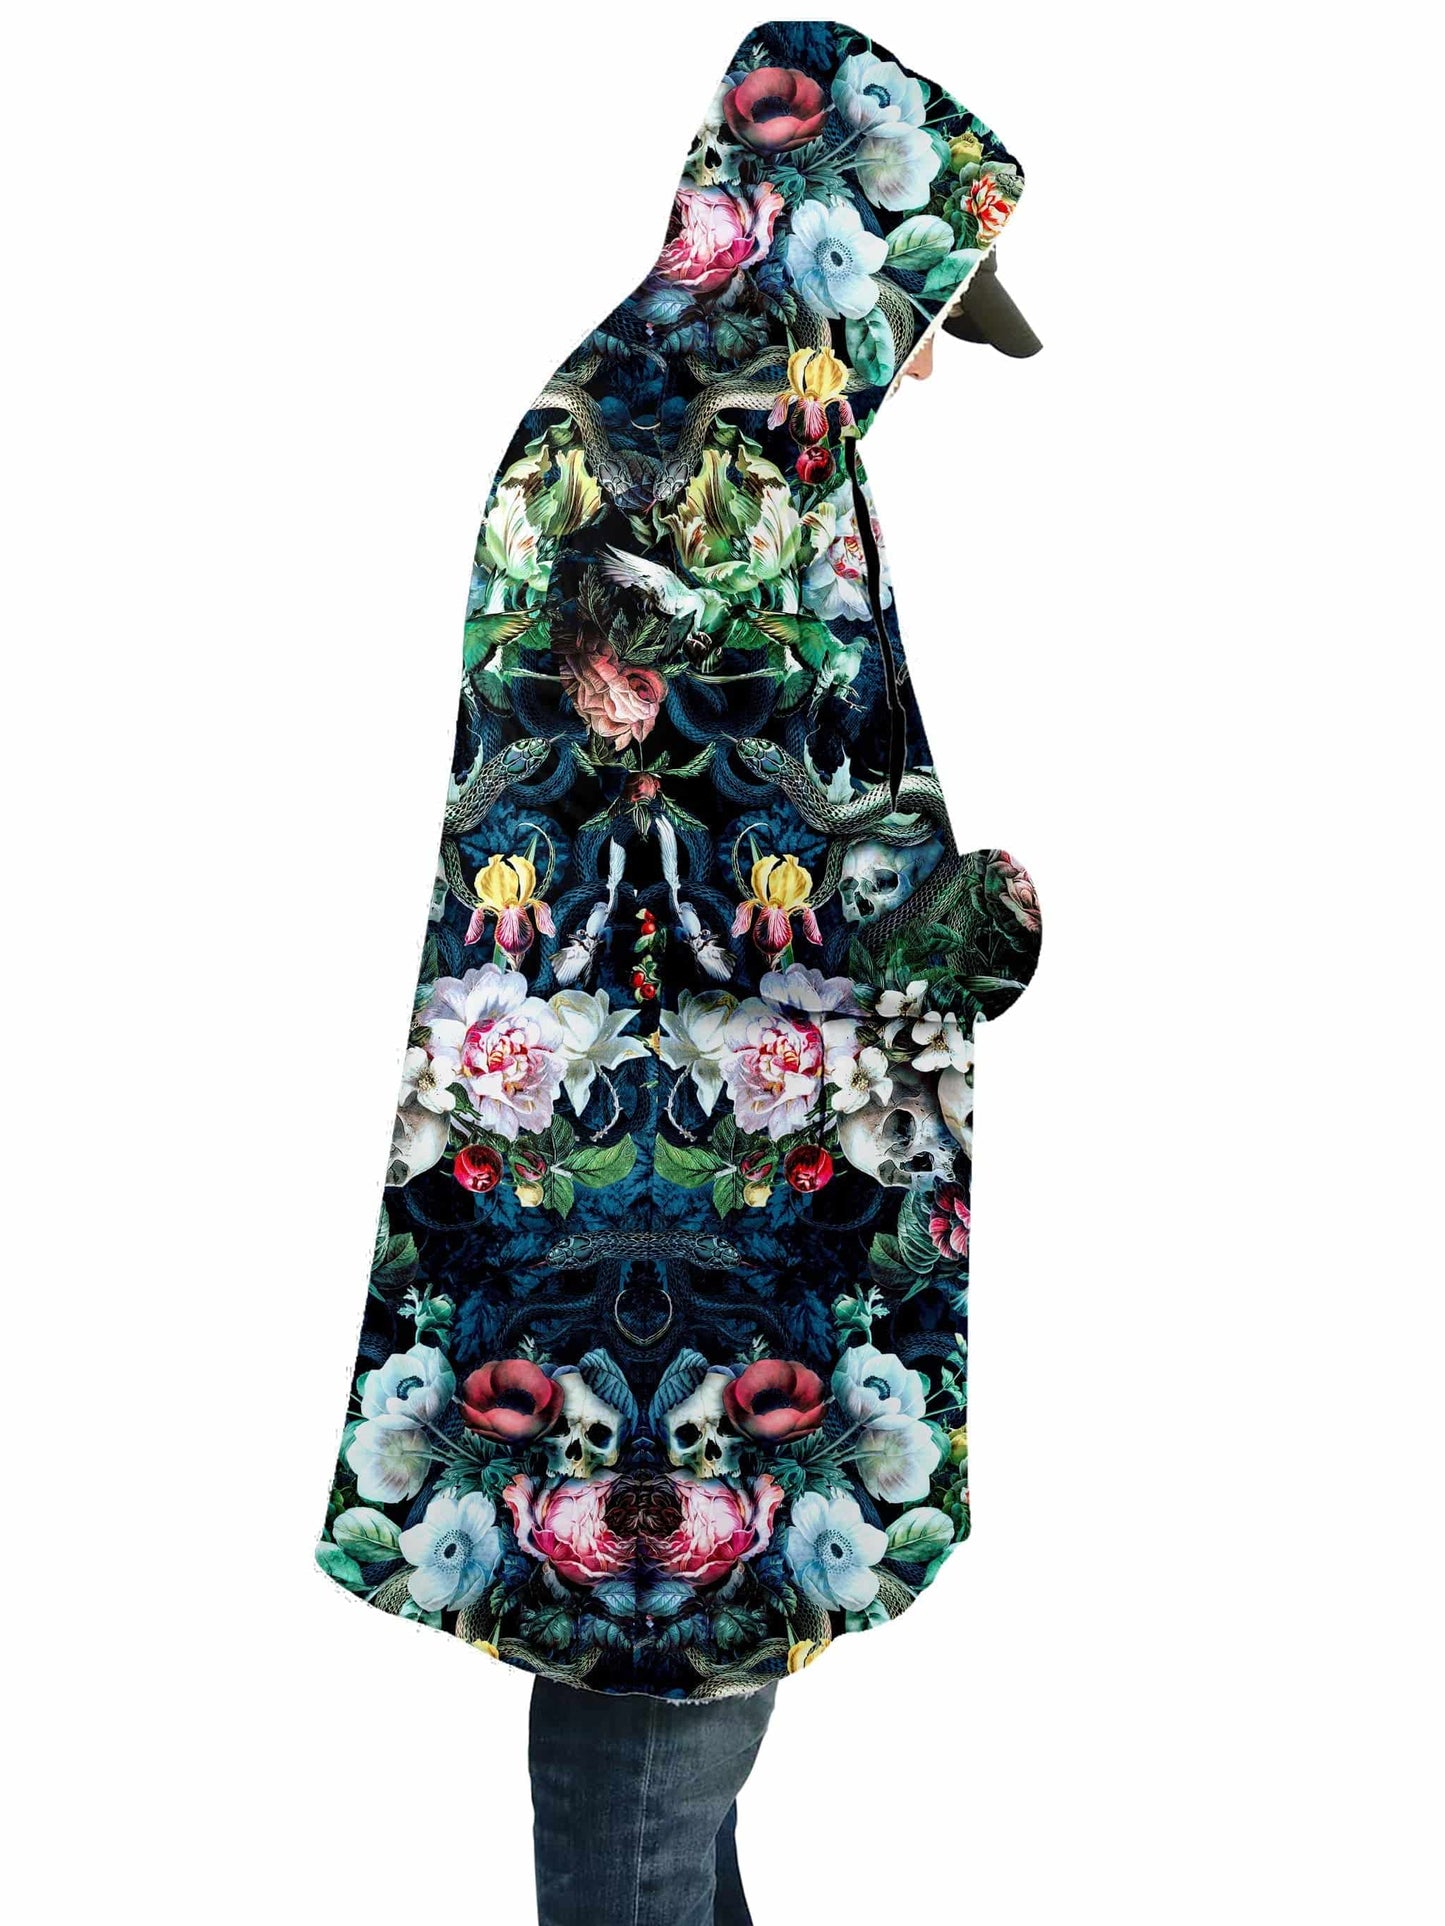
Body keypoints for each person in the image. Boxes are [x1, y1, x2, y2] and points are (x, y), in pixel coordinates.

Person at [316, 22, 1042, 1924]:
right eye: (927, 309)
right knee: (657, 1650)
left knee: (679, 1660)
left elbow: (713, 783)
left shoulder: (735, 428)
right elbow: (654, 801)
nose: (927, 361)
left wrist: (923, 919)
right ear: (832, 243)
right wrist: (943, 927)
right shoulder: (685, 430)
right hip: (672, 1174)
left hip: (677, 1154)